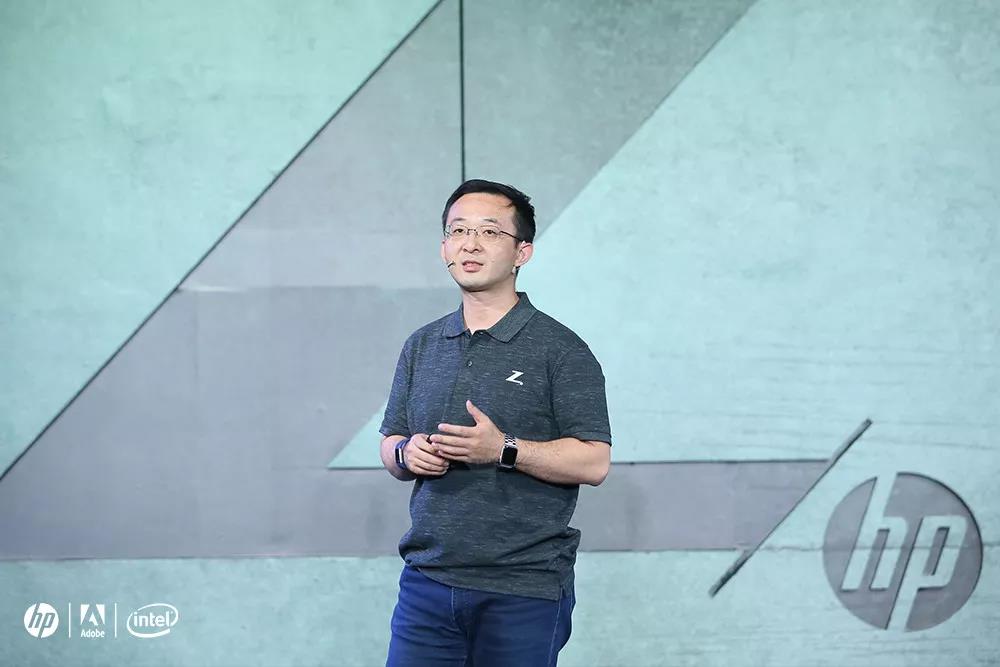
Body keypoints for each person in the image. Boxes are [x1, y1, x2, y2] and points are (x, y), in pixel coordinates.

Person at [379, 179, 612, 666]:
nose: (470, 244)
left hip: (523, 589)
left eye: (489, 232)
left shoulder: (561, 350)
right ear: (444, 246)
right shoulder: (422, 345)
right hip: (426, 582)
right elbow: (392, 441)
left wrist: (503, 448)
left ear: (522, 252)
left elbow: (594, 462)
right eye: (458, 230)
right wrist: (405, 453)